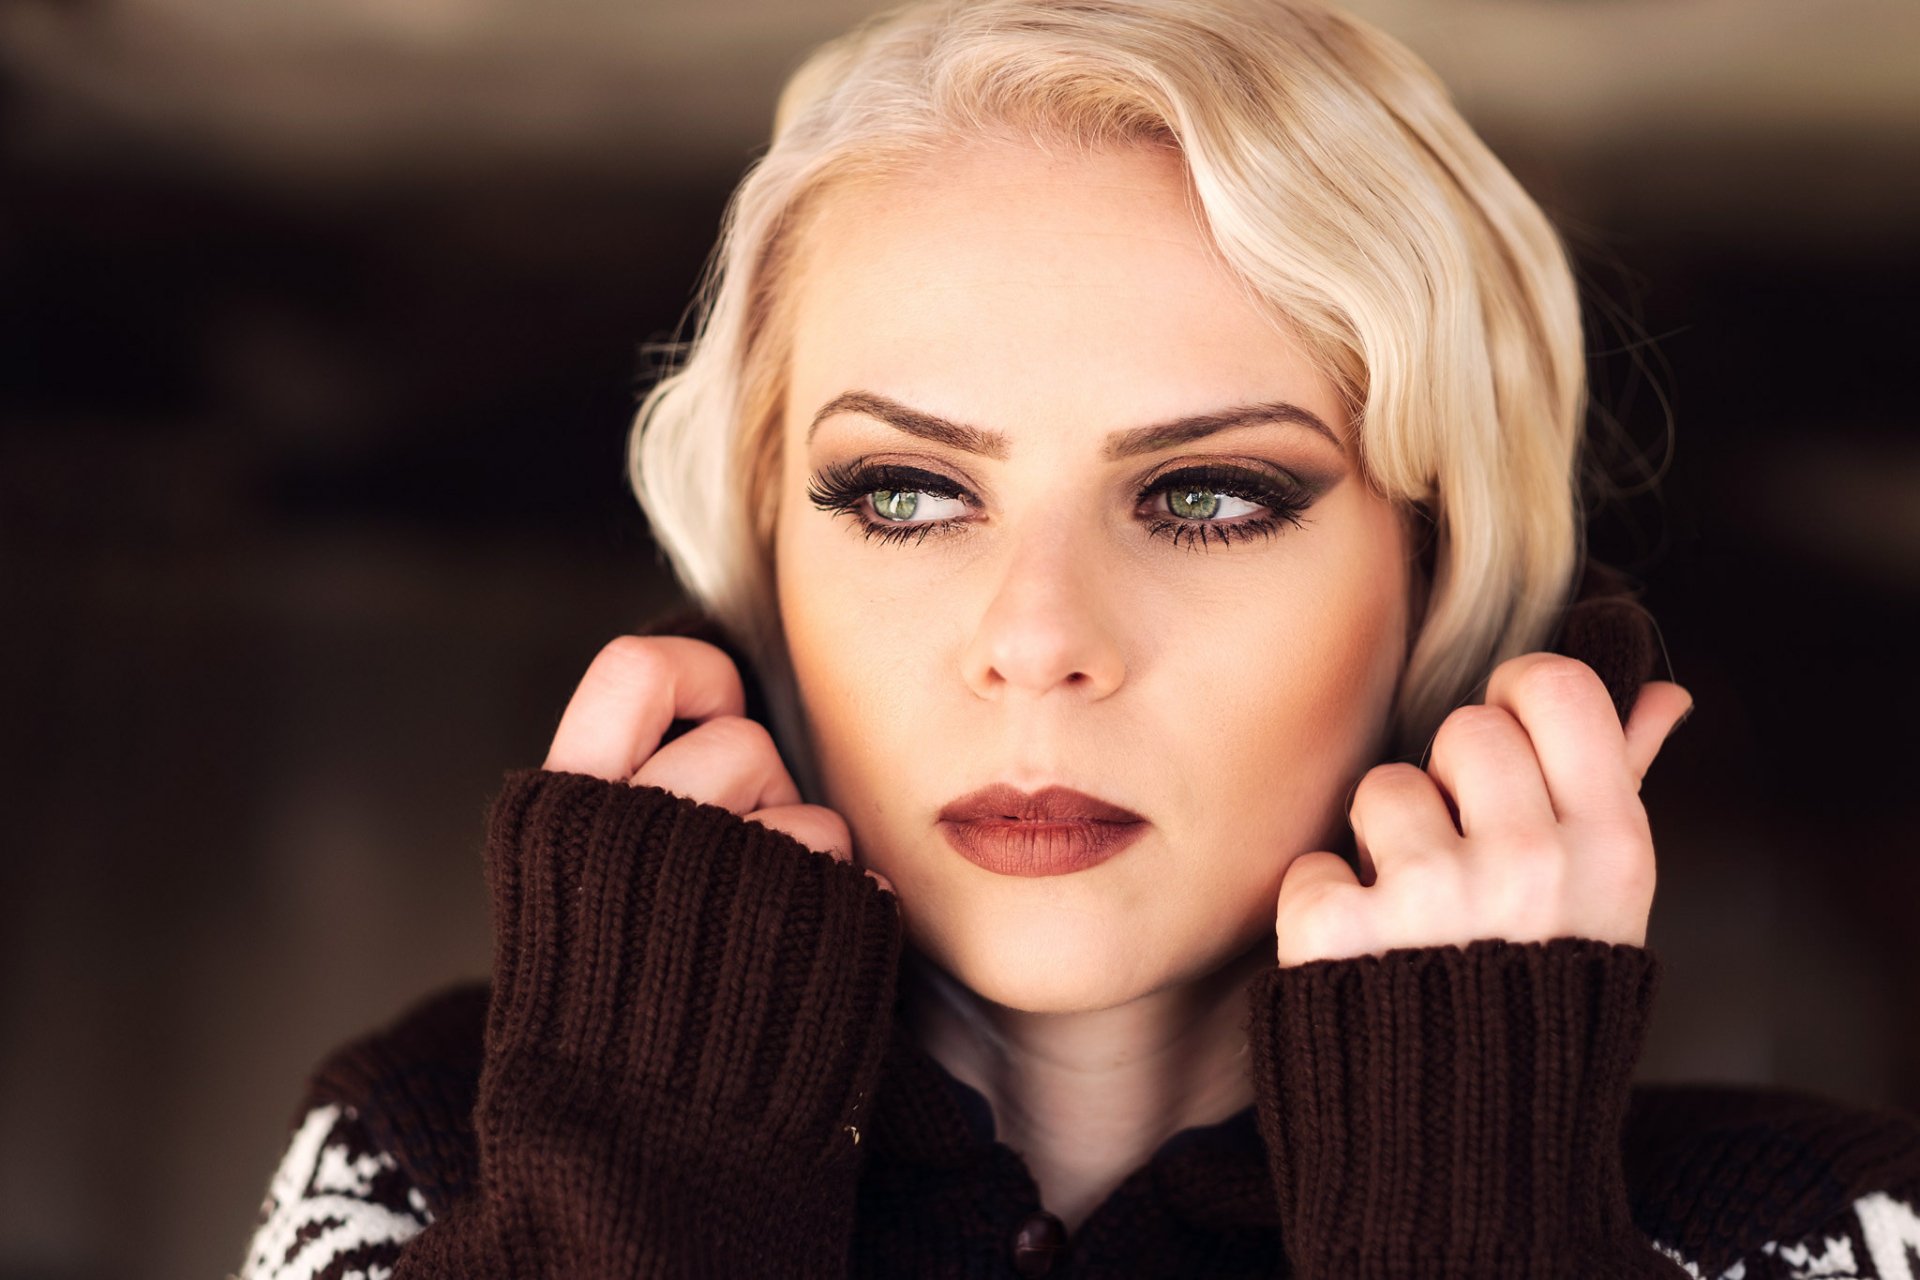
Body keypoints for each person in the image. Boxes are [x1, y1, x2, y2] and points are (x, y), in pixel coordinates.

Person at [232, 0, 1920, 1276]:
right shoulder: (434, 1156)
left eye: (1207, 497)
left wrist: (1464, 1203)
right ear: (761, 562)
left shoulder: (1799, 1231)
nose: (1036, 640)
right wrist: (636, 1191)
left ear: (1436, 568)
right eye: (903, 492)